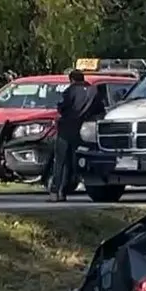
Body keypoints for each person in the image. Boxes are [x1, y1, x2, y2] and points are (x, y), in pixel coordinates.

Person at [48, 70, 105, 202]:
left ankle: (56, 191)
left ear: (72, 80)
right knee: (73, 161)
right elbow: (99, 110)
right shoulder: (94, 91)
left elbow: (62, 108)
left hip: (66, 129)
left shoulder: (70, 91)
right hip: (84, 130)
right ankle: (65, 188)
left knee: (61, 161)